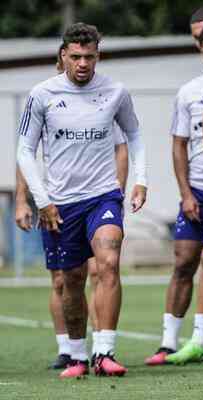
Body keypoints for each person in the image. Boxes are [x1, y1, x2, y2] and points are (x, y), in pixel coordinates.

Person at [16, 22, 147, 378]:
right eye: (75, 56)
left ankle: (104, 351)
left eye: (89, 56)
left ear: (98, 56)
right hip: (59, 203)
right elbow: (24, 151)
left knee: (108, 259)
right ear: (63, 56)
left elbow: (134, 135)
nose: (83, 63)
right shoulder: (41, 94)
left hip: (102, 195)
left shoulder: (116, 92)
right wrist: (40, 200)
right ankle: (75, 354)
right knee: (70, 279)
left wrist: (140, 180)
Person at [146, 21, 203, 366]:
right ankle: (169, 341)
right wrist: (185, 192)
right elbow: (179, 145)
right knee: (184, 262)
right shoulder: (189, 92)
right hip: (197, 192)